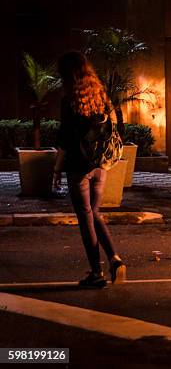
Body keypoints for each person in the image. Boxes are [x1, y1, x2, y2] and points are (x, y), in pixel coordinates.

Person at [53, 51, 126, 288]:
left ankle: (96, 272)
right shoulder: (101, 96)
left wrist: (56, 169)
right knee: (95, 212)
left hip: (78, 168)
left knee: (85, 218)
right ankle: (114, 258)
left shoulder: (69, 101)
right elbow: (116, 126)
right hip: (100, 166)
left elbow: (64, 139)